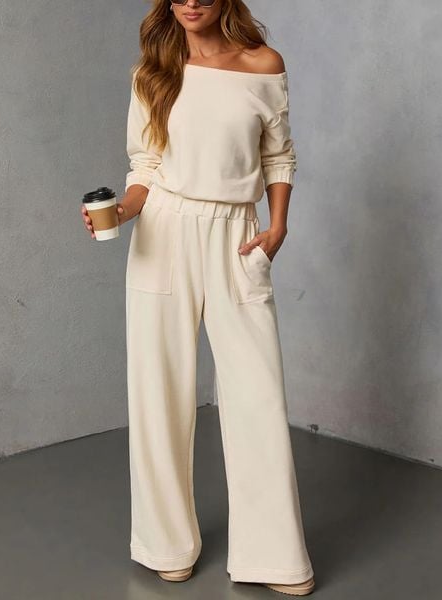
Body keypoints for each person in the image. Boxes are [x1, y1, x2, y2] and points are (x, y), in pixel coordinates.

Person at [81, 0, 316, 595]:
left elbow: (277, 154)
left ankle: (274, 557)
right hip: (163, 231)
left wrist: (278, 226)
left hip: (237, 233)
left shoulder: (263, 64)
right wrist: (122, 211)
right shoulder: (153, 69)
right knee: (158, 390)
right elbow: (145, 163)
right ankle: (166, 543)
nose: (190, 2)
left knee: (257, 393)